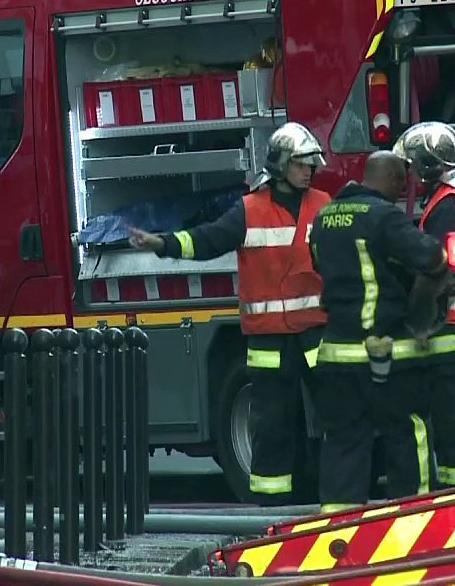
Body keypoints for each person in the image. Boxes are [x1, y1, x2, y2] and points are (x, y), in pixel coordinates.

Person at [129, 122, 331, 505]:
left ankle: (333, 494)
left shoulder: (323, 205)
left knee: (334, 418)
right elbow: (207, 240)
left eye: (312, 164)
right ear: (281, 165)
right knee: (271, 423)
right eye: (301, 163)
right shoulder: (249, 210)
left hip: (315, 333)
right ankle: (274, 504)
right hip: (269, 338)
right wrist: (164, 244)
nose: (309, 170)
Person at [308, 151, 448, 510]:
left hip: (336, 353)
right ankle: (416, 517)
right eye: (401, 182)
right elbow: (430, 256)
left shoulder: (324, 217)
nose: (403, 190)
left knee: (343, 440)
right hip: (386, 353)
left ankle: (338, 526)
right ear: (387, 178)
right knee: (408, 430)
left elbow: (321, 264)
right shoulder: (383, 216)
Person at [394, 122, 455, 488]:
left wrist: (421, 319)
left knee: (454, 417)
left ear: (427, 165)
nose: (409, 172)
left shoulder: (447, 205)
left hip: (454, 329)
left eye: (412, 164)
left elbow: (445, 268)